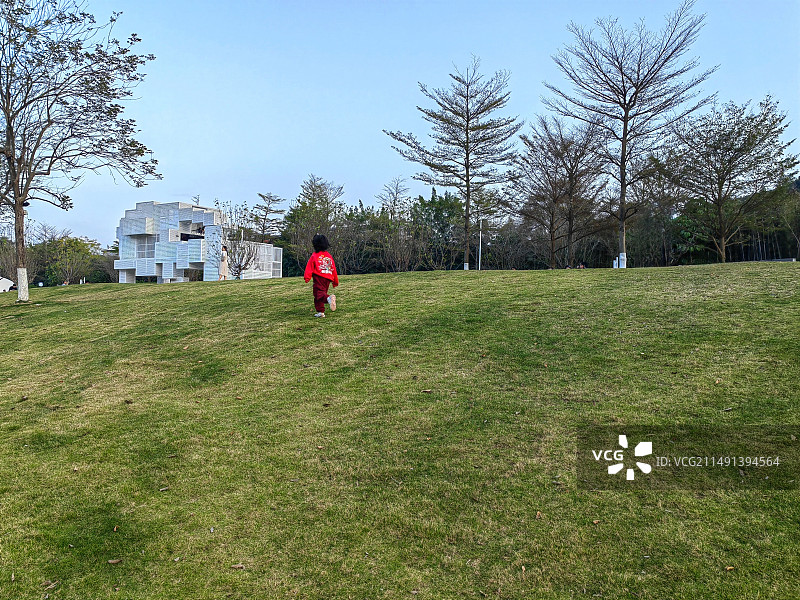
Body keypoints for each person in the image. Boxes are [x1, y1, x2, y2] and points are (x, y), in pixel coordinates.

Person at [303, 234, 338, 317]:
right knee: (320, 294)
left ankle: (329, 298)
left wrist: (307, 277)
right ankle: (320, 312)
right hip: (328, 278)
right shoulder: (329, 256)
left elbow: (309, 267)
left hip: (319, 277)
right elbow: (333, 268)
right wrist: (335, 281)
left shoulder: (314, 256)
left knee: (318, 294)